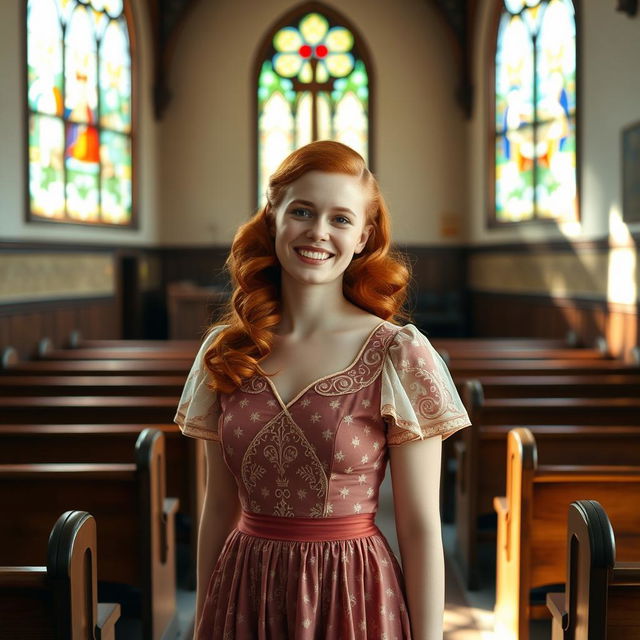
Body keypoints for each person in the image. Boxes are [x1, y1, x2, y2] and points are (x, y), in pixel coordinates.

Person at [174, 140, 471, 639]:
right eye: (303, 211)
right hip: (244, 588)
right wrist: (206, 619)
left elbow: (421, 527)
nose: (317, 232)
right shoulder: (226, 352)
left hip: (350, 591)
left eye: (340, 219)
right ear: (273, 219)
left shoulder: (397, 352)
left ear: (363, 236)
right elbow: (218, 506)